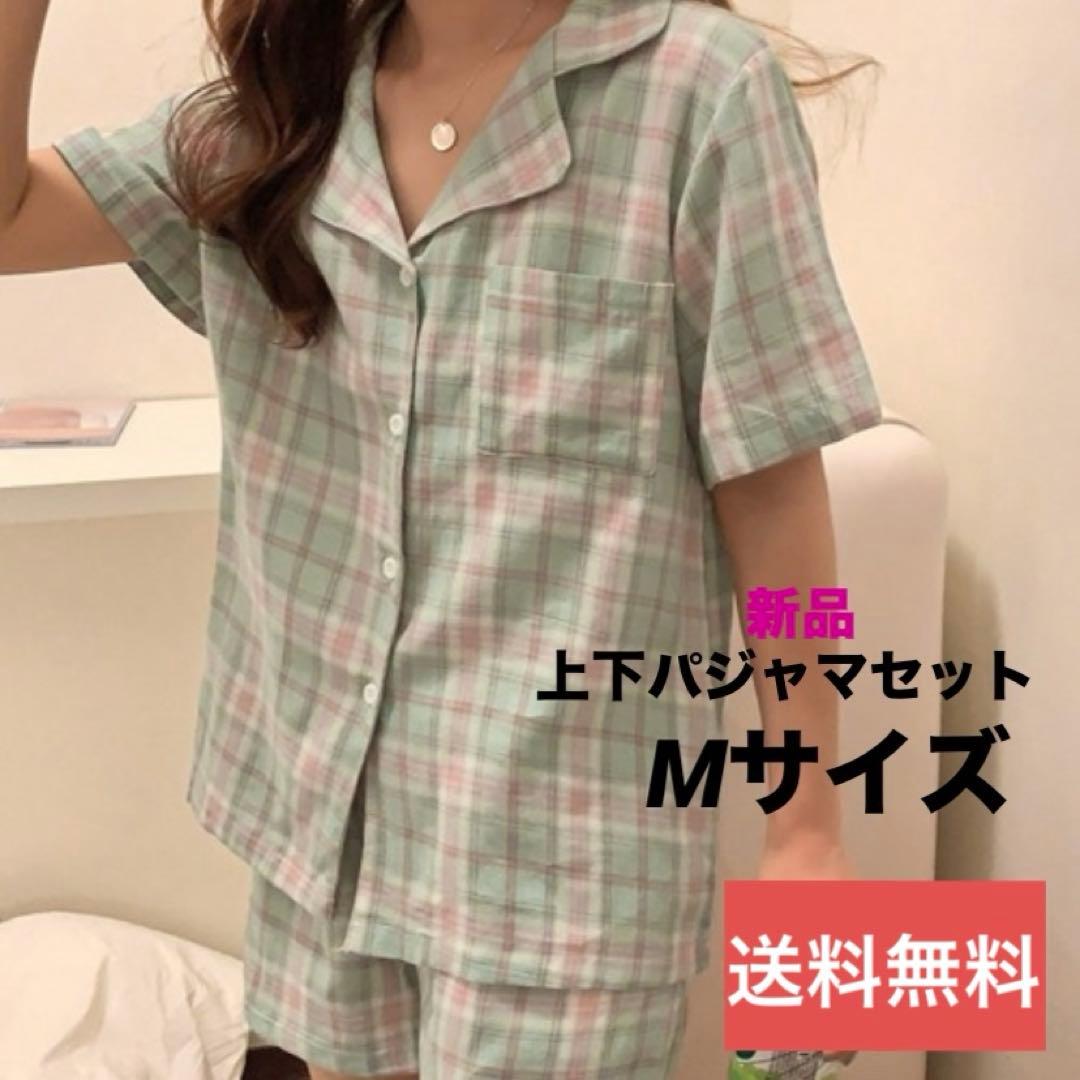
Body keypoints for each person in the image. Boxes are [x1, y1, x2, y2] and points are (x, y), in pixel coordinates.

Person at [0, 0, 881, 1076]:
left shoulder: (699, 93)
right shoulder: (279, 116)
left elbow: (776, 496)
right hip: (324, 839)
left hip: (560, 871)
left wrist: (808, 824)